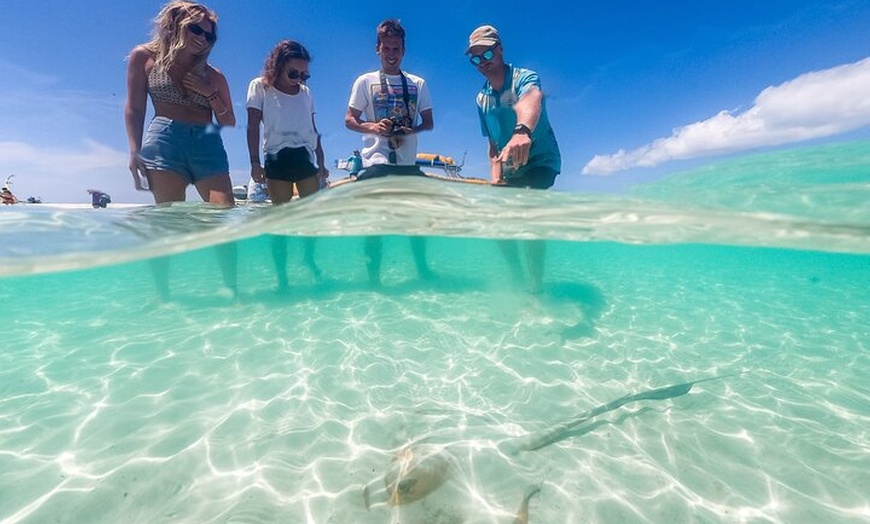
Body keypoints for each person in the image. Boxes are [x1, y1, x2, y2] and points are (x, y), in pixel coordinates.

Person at [124, 1, 237, 299]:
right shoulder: (144, 57)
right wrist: (134, 150)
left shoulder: (214, 75)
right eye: (195, 29)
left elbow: (229, 120)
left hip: (207, 142)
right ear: (174, 25)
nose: (202, 38)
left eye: (209, 35)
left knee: (223, 216)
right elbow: (135, 108)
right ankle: (164, 295)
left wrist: (209, 92)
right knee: (166, 222)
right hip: (164, 141)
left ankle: (231, 289)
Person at [466, 24, 561, 293]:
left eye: (487, 54)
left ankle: (535, 286)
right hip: (510, 171)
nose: (482, 62)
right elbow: (493, 145)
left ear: (500, 49)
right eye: (476, 58)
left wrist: (522, 131)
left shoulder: (523, 77)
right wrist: (496, 178)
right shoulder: (481, 99)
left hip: (541, 159)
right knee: (499, 227)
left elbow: (532, 98)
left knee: (530, 217)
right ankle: (517, 277)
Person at [344, 19, 435, 284]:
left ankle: (422, 270)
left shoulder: (419, 83)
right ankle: (374, 277)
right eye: (387, 48)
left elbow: (429, 122)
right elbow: (349, 119)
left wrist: (412, 130)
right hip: (376, 162)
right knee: (374, 224)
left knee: (417, 221)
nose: (392, 54)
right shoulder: (364, 81)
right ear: (378, 49)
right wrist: (373, 126)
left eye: (396, 49)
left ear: (403, 50)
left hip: (407, 163)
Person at [246, 40, 328, 289]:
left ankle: (308, 260)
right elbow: (252, 127)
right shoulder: (260, 87)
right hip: (276, 158)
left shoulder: (306, 93)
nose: (299, 79)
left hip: (304, 157)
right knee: (280, 220)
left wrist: (322, 162)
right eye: (294, 73)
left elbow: (313, 130)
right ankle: (282, 276)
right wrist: (254, 163)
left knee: (310, 219)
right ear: (278, 66)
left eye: (305, 74)